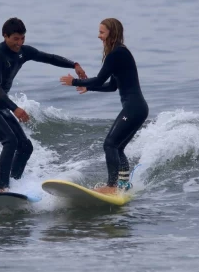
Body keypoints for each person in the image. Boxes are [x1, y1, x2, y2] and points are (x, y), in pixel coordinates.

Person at [0, 18, 87, 192]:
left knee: (26, 147)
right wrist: (16, 108)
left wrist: (74, 64)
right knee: (10, 142)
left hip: (1, 107)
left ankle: (13, 184)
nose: (19, 43)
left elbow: (48, 58)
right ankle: (3, 189)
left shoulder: (23, 52)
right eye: (15, 39)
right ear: (5, 36)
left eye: (22, 39)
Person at [60, 18, 148, 194]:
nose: (99, 36)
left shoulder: (116, 54)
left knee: (110, 144)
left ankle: (111, 186)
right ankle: (123, 184)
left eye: (102, 32)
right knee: (118, 146)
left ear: (112, 33)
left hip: (134, 108)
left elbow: (100, 80)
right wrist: (88, 87)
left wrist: (75, 81)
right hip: (138, 108)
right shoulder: (119, 53)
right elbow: (111, 86)